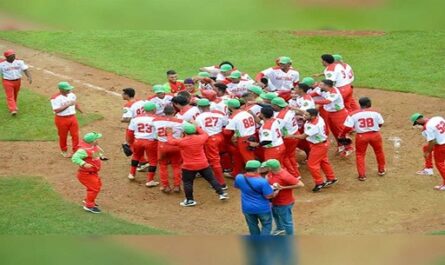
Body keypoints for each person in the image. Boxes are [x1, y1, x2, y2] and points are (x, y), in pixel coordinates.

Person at [167, 122, 229, 207]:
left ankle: (190, 200)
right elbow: (205, 134)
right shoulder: (201, 138)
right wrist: (197, 127)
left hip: (189, 166)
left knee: (188, 183)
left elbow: (170, 141)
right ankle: (221, 193)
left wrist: (169, 133)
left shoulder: (182, 141)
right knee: (211, 179)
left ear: (184, 132)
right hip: (203, 164)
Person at [341, 97, 386, 181]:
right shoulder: (376, 112)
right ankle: (381, 170)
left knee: (360, 155)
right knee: (379, 152)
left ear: (360, 104)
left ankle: (362, 175)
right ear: (369, 103)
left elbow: (347, 127)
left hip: (361, 137)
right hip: (375, 135)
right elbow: (380, 124)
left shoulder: (353, 114)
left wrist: (343, 134)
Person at [295, 109, 338, 192]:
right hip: (321, 144)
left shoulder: (314, 126)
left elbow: (302, 137)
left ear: (313, 116)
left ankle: (319, 183)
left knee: (312, 164)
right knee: (323, 161)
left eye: (306, 115)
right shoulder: (318, 118)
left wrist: (289, 136)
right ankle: (331, 178)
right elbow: (306, 116)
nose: (304, 116)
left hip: (318, 146)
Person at [312, 79, 353, 156]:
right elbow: (314, 93)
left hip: (339, 114)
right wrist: (306, 96)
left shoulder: (334, 92)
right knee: (334, 131)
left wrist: (313, 101)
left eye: (322, 85)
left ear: (327, 86)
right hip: (329, 113)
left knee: (341, 131)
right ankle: (340, 145)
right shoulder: (322, 89)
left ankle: (349, 148)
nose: (319, 86)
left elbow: (327, 101)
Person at [234, 160, 275, 235]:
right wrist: (275, 191)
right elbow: (268, 196)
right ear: (257, 169)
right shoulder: (262, 181)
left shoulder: (239, 177)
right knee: (267, 225)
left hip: (247, 208)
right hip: (262, 208)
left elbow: (237, 186)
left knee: (252, 225)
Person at [195, 98, 228, 188]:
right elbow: (225, 124)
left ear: (199, 107)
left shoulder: (199, 117)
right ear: (209, 106)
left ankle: (221, 183)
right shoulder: (218, 114)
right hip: (220, 136)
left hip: (210, 140)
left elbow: (198, 130)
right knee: (222, 154)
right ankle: (226, 169)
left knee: (214, 161)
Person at [264, 159, 304, 235]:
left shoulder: (285, 175)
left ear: (270, 168)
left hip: (284, 203)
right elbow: (268, 179)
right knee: (276, 215)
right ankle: (280, 228)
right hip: (274, 200)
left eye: (267, 167)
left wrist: (283, 188)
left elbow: (300, 184)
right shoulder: (271, 173)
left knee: (287, 221)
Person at [71, 132, 107, 213]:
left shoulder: (92, 146)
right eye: (97, 138)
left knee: (97, 186)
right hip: (86, 174)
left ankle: (88, 200)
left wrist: (100, 157)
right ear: (93, 141)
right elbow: (74, 158)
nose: (98, 140)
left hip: (92, 173)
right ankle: (89, 206)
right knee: (94, 188)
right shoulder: (83, 150)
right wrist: (84, 163)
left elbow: (93, 154)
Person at [126, 102, 159, 187]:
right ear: (153, 109)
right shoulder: (157, 119)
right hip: (151, 142)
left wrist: (130, 143)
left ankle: (131, 174)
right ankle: (150, 180)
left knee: (136, 156)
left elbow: (130, 132)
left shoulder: (136, 118)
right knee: (153, 161)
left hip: (138, 141)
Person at [153, 105, 185, 193]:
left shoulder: (156, 121)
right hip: (176, 146)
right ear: (174, 112)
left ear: (164, 112)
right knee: (176, 166)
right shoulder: (181, 121)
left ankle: (165, 186)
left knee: (163, 166)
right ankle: (177, 186)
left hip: (162, 146)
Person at [410, 113, 445, 191]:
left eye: (417, 123)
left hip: (442, 146)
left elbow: (432, 142)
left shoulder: (427, 128)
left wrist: (428, 152)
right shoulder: (437, 117)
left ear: (418, 120)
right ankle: (428, 169)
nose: (418, 125)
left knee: (440, 163)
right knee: (426, 148)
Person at [224, 99, 257, 176]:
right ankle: (236, 172)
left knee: (249, 159)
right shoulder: (246, 112)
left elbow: (227, 132)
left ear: (230, 107)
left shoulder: (233, 117)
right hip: (252, 136)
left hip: (244, 140)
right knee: (237, 155)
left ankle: (254, 177)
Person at [270, 97, 301, 178]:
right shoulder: (288, 109)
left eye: (272, 105)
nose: (271, 106)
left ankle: (293, 175)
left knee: (284, 157)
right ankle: (296, 173)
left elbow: (277, 128)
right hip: (295, 134)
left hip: (288, 138)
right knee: (291, 155)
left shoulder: (281, 116)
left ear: (276, 106)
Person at [50, 81, 82, 158]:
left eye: (69, 89)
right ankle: (64, 150)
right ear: (61, 89)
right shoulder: (55, 98)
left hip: (72, 118)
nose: (69, 91)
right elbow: (56, 110)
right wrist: (68, 105)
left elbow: (75, 103)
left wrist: (80, 110)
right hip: (61, 119)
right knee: (63, 136)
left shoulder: (72, 95)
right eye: (67, 90)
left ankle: (75, 151)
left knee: (75, 135)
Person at [0, 49, 32, 115]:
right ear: (7, 57)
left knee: (15, 94)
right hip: (7, 81)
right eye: (11, 56)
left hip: (17, 81)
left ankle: (13, 105)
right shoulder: (1, 64)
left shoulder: (19, 62)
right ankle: (13, 109)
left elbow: (25, 69)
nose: (13, 57)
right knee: (10, 96)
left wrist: (29, 77)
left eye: (13, 55)